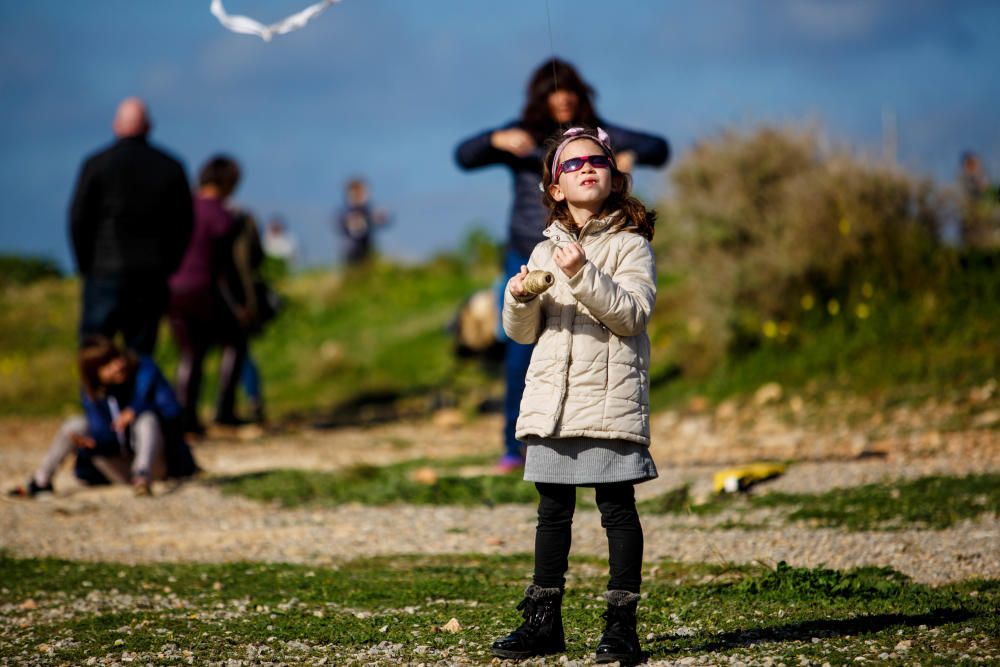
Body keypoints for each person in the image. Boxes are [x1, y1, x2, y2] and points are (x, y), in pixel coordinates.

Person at [491, 127, 658, 664]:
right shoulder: (544, 247)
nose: (587, 168)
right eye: (572, 164)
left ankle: (621, 627)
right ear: (556, 188)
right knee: (552, 515)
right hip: (552, 405)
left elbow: (632, 315)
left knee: (617, 511)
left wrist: (582, 273)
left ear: (613, 177)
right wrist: (517, 297)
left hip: (609, 402)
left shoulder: (631, 243)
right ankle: (544, 624)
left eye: (597, 161)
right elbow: (521, 333)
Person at [455, 58, 669, 473]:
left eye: (570, 92)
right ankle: (516, 444)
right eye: (555, 93)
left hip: (592, 251)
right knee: (521, 349)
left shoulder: (594, 139)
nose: (563, 99)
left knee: (591, 341)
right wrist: (496, 139)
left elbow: (659, 147)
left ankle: (591, 443)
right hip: (527, 252)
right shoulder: (522, 135)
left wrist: (626, 154)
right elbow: (464, 155)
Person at [69, 97, 194, 355]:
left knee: (94, 348)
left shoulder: (96, 164)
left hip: (104, 269)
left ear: (116, 126)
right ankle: (137, 396)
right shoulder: (171, 166)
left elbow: (79, 218)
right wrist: (170, 264)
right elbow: (184, 223)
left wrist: (85, 264)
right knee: (140, 350)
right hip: (151, 272)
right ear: (149, 126)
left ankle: (96, 396)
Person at [8, 336, 198, 498]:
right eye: (107, 365)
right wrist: (92, 445)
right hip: (117, 466)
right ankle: (41, 480)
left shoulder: (145, 371)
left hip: (158, 463)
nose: (118, 365)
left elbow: (173, 410)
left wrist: (136, 410)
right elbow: (103, 433)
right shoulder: (93, 393)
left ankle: (142, 477)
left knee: (146, 420)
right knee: (74, 424)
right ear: (95, 374)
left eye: (117, 358)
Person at [168, 155, 249, 433]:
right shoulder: (222, 216)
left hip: (173, 289)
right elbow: (229, 267)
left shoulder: (178, 207)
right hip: (204, 289)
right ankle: (224, 410)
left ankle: (185, 416)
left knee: (190, 353)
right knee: (235, 341)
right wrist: (240, 303)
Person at [335, 177, 390, 265]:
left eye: (362, 194)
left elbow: (384, 220)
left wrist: (381, 218)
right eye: (357, 195)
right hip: (351, 253)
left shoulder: (369, 211)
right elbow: (342, 225)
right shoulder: (345, 214)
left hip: (368, 251)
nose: (360, 197)